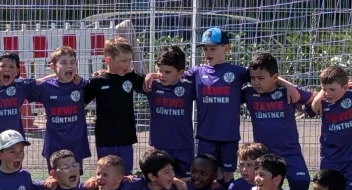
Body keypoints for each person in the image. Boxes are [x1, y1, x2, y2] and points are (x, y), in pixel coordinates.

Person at [242, 52, 310, 190]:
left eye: (261, 78)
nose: (256, 82)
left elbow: (313, 98)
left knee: (301, 181)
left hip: (290, 150)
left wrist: (289, 86)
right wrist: (286, 82)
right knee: (261, 187)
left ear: (274, 78)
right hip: (264, 153)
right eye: (253, 78)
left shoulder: (287, 92)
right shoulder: (248, 93)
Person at [83, 37, 146, 175]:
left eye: (129, 60)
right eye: (123, 61)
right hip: (105, 138)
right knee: (107, 174)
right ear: (108, 60)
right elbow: (81, 104)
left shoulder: (131, 77)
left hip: (126, 137)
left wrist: (153, 75)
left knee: (126, 175)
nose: (128, 64)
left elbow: (148, 83)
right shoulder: (97, 81)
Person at [303, 65, 352, 190]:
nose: (327, 93)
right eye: (324, 89)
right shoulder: (322, 102)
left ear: (345, 87)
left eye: (332, 89)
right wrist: (318, 98)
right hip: (330, 156)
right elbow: (305, 108)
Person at [190, 26, 247, 168]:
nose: (207, 53)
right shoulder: (197, 72)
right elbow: (174, 76)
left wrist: (288, 86)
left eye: (212, 49)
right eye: (205, 49)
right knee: (206, 174)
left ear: (226, 48)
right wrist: (153, 75)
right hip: (205, 136)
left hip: (229, 136)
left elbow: (265, 75)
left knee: (227, 175)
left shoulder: (237, 72)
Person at [33, 45, 92, 164]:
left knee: (74, 175)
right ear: (53, 67)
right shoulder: (45, 87)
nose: (69, 66)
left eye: (72, 62)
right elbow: (22, 86)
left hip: (76, 144)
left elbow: (101, 83)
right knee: (55, 175)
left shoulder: (81, 84)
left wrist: (101, 72)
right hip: (54, 144)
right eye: (64, 63)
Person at [144, 45, 198, 175]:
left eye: (167, 72)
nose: (162, 75)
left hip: (184, 145)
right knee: (162, 181)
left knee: (185, 181)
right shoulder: (152, 85)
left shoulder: (189, 86)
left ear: (180, 73)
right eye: (160, 70)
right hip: (161, 146)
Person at [0, 52, 36, 172]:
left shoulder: (21, 87)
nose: (7, 69)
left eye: (11, 67)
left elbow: (42, 81)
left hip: (15, 146)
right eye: (3, 66)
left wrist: (68, 75)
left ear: (17, 71)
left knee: (13, 177)